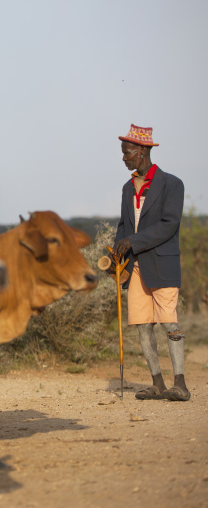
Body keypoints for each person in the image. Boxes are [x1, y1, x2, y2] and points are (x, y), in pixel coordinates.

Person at [113, 124, 190, 401]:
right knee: (143, 324)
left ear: (142, 151)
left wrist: (133, 242)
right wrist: (117, 253)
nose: (124, 158)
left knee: (169, 322)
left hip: (162, 264)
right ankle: (157, 383)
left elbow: (169, 225)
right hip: (135, 267)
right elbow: (124, 225)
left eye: (127, 152)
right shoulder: (127, 188)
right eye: (123, 153)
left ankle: (180, 384)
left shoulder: (172, 184)